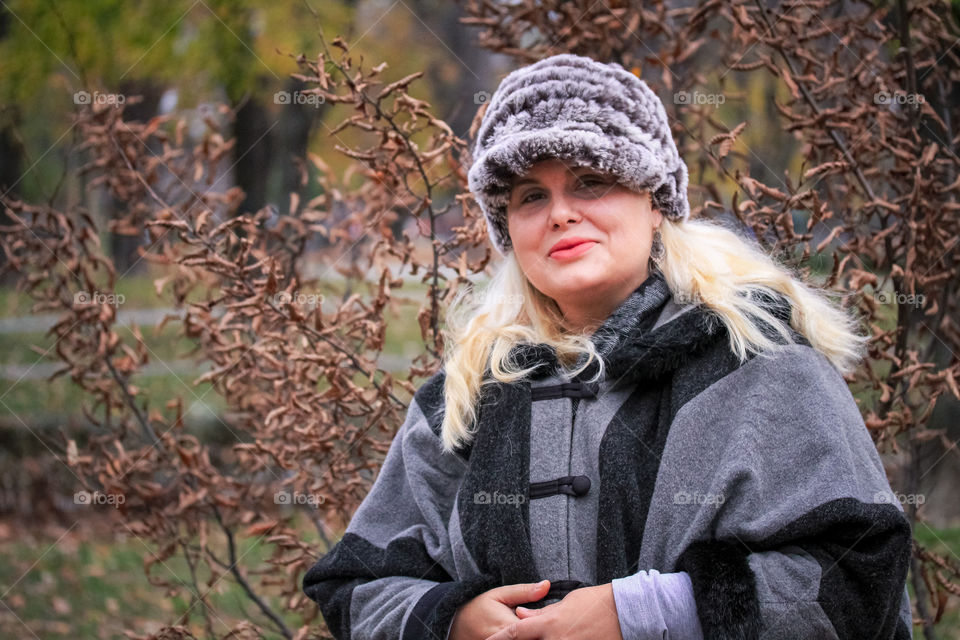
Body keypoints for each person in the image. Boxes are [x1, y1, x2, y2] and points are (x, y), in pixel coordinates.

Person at [303, 53, 914, 640]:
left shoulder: (759, 363)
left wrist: (647, 615)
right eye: (530, 197)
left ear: (656, 203)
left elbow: (858, 579)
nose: (561, 214)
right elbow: (355, 586)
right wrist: (452, 618)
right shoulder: (465, 398)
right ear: (509, 232)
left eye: (590, 181)